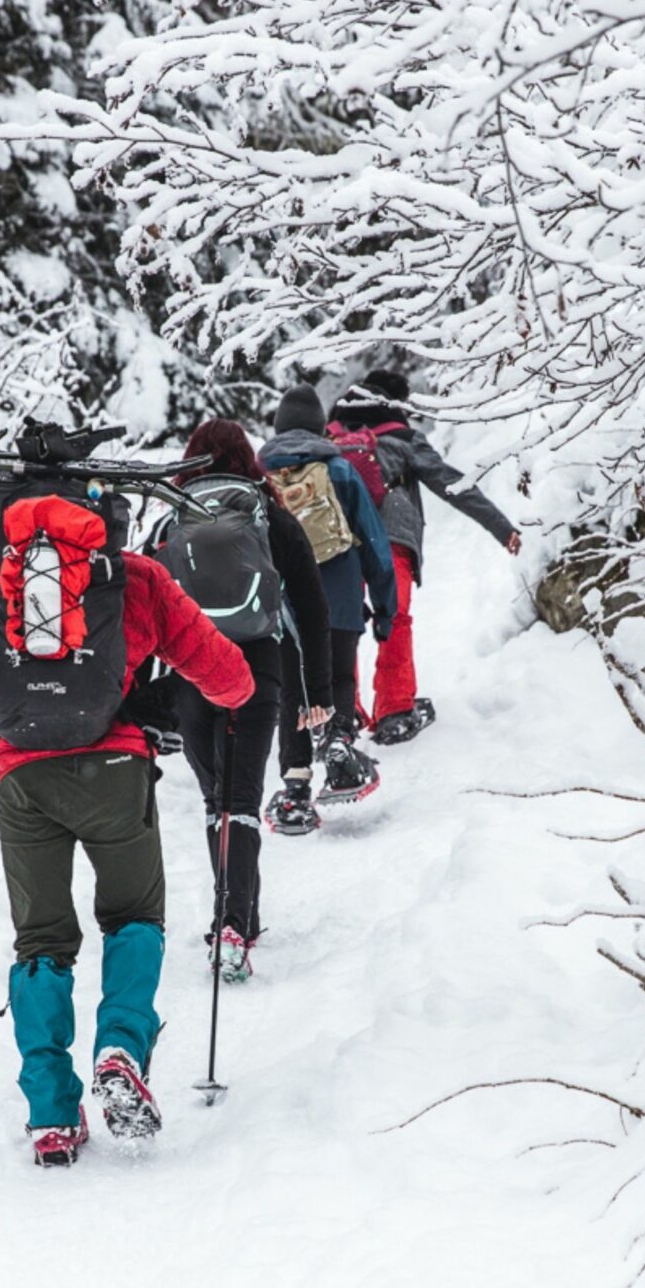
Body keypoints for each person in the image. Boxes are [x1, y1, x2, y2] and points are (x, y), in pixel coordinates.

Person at [0, 537, 253, 1165]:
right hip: (115, 770)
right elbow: (232, 680)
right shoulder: (136, 579)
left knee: (41, 942)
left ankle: (52, 1116)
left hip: (25, 781)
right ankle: (121, 1050)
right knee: (135, 916)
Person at [159, 419, 333, 983]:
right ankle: (235, 924)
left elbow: (141, 604)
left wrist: (139, 698)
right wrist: (319, 692)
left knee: (217, 800)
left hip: (191, 666)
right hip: (258, 664)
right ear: (247, 458)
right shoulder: (269, 512)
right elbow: (311, 602)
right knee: (242, 797)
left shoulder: (172, 515)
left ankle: (234, 919)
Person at [328, 368, 521, 744]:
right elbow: (453, 485)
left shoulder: (329, 438)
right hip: (390, 539)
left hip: (339, 540)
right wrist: (502, 527)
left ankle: (342, 713)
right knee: (395, 618)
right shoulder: (403, 438)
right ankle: (394, 712)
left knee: (340, 624)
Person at [260, 383, 397, 831]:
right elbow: (374, 541)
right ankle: (338, 747)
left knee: (291, 692)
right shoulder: (338, 469)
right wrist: (384, 607)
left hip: (282, 604)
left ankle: (295, 789)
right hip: (337, 596)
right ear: (321, 427)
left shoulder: (259, 474)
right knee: (338, 675)